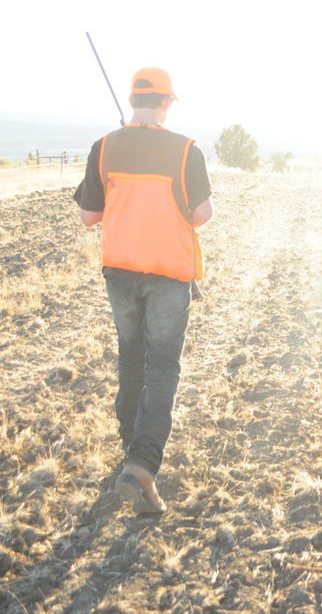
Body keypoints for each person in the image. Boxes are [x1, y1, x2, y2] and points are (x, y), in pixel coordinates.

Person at [73, 67, 214, 514]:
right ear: (168, 103)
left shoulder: (105, 148)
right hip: (169, 274)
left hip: (120, 271)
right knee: (163, 367)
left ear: (133, 100)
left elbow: (88, 216)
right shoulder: (186, 150)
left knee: (131, 359)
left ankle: (129, 451)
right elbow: (201, 215)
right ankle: (142, 465)